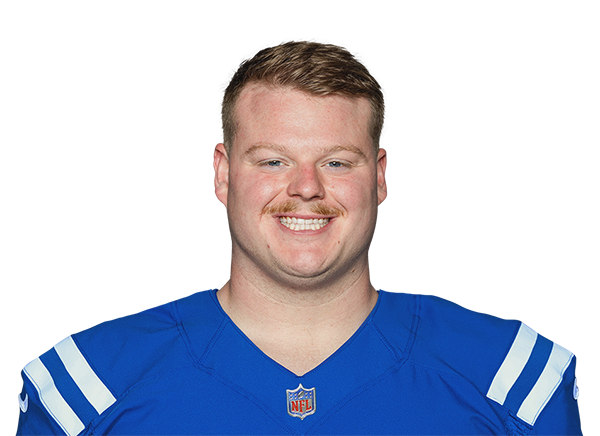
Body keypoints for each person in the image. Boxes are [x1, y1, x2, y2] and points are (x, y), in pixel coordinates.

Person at [18, 39, 581, 435]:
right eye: (273, 161)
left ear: (380, 178)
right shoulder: (87, 389)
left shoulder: (514, 383)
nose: (306, 188)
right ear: (223, 174)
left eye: (337, 162)